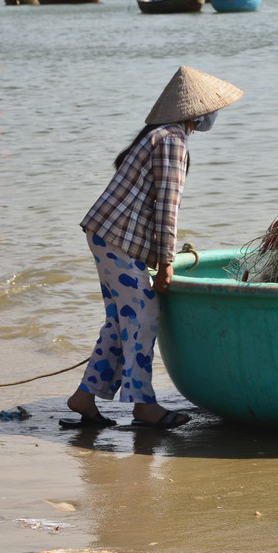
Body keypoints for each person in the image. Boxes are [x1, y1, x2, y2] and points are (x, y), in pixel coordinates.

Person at [61, 66, 243, 430]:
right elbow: (166, 208)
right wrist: (165, 265)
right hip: (116, 239)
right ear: (197, 113)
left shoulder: (159, 135)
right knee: (144, 318)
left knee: (120, 321)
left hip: (105, 235)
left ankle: (84, 397)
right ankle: (144, 405)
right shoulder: (172, 141)